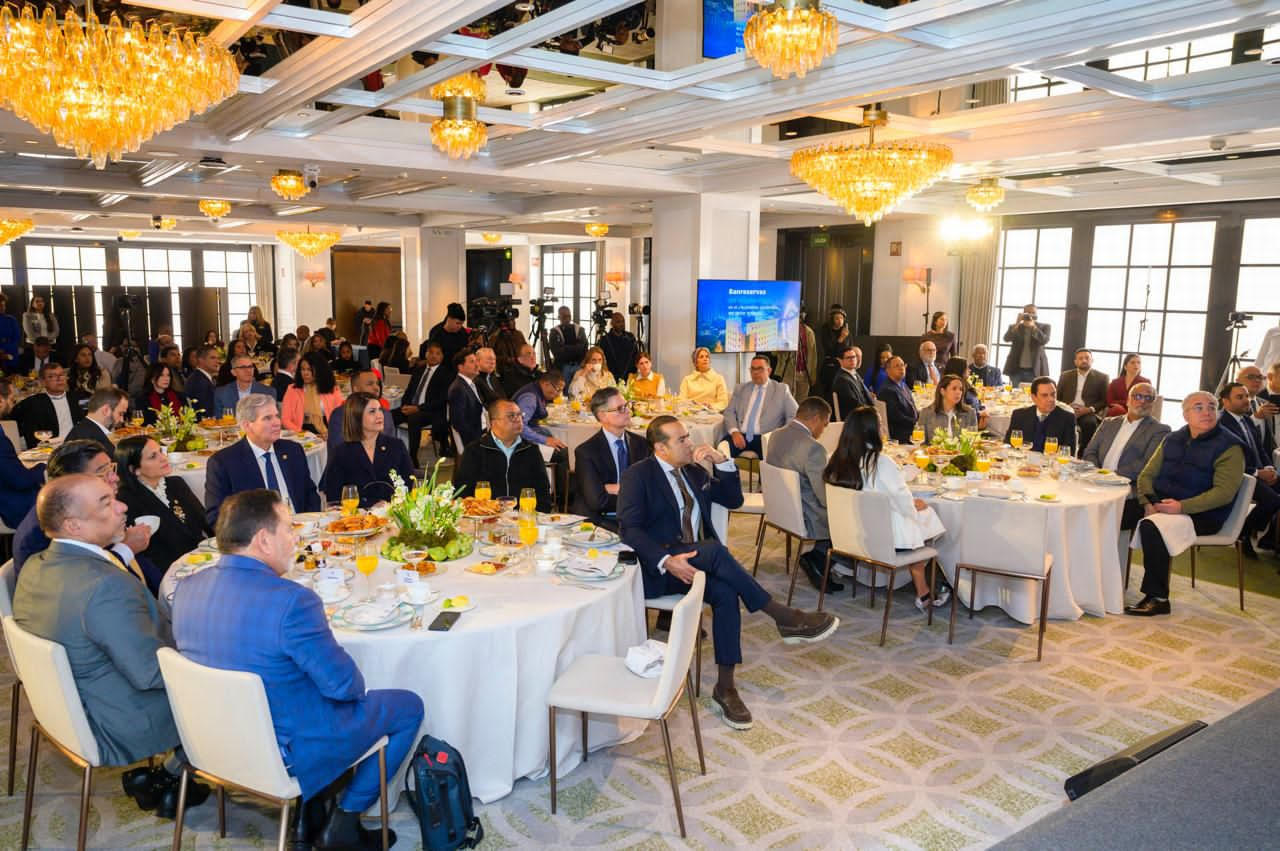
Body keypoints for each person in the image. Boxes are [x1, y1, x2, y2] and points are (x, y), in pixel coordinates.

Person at [172, 489, 423, 849]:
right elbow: (345, 688)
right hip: (285, 751)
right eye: (289, 529)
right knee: (407, 706)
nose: (296, 538)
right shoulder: (292, 601)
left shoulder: (187, 588)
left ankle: (315, 806)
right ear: (263, 540)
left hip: (209, 740)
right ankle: (345, 822)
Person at [618, 416, 838, 731]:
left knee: (726, 593)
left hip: (697, 563)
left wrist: (723, 462)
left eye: (688, 436)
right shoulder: (638, 476)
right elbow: (630, 530)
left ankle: (726, 686)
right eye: (682, 440)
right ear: (660, 448)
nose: (690, 443)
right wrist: (666, 560)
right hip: (660, 570)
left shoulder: (693, 471)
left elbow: (734, 499)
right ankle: (783, 616)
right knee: (715, 550)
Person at [14, 474, 211, 818]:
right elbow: (150, 674)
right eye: (106, 503)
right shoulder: (103, 586)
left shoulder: (37, 564)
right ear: (74, 526)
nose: (122, 507)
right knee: (250, 676)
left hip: (70, 706)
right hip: (121, 718)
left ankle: (169, 774)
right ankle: (177, 772)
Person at [1128, 392, 1246, 616]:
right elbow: (1146, 475)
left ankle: (1158, 598)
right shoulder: (1173, 438)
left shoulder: (1230, 447)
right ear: (1185, 415)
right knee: (1117, 512)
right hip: (1161, 505)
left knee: (1152, 527)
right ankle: (1104, 578)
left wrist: (1181, 507)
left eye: (1211, 407)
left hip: (1203, 515)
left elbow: (1223, 494)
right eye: (1199, 407)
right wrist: (1148, 502)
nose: (1207, 412)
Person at [824, 407, 950, 612]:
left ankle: (921, 583)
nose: (883, 428)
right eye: (880, 424)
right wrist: (914, 506)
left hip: (850, 535)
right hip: (883, 540)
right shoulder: (880, 462)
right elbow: (902, 499)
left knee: (916, 516)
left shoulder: (837, 458)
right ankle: (928, 585)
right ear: (871, 431)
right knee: (929, 516)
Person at [12, 440, 155, 583]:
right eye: (103, 473)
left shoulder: (90, 506)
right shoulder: (46, 530)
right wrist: (126, 548)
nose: (115, 478)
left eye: (112, 469)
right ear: (74, 482)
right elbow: (78, 582)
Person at [765, 397, 845, 593]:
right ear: (816, 419)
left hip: (780, 508)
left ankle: (820, 558)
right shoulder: (813, 449)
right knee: (849, 516)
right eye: (825, 424)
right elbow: (823, 496)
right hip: (806, 513)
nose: (824, 430)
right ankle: (817, 558)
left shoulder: (776, 435)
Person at [204, 393, 321, 525]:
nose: (277, 422)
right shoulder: (224, 462)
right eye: (267, 418)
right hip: (255, 534)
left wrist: (310, 525)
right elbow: (217, 518)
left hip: (301, 529)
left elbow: (310, 495)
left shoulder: (293, 451)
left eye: (277, 416)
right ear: (247, 425)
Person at [115, 436, 211, 575]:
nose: (163, 458)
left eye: (161, 451)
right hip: (172, 571)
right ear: (134, 469)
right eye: (153, 456)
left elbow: (205, 519)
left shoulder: (176, 483)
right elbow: (148, 554)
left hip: (203, 558)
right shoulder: (126, 500)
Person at [1083, 382, 1170, 532]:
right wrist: (1096, 474)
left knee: (1095, 517)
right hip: (1094, 481)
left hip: (1127, 488)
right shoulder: (1108, 423)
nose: (1143, 401)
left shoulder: (1160, 430)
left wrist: (1108, 477)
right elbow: (1090, 452)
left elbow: (1144, 464)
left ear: (1153, 404)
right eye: (1138, 396)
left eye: (1148, 398)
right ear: (1128, 400)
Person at [573, 387, 652, 531]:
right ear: (602, 416)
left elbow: (652, 487)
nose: (628, 411)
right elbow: (597, 501)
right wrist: (635, 494)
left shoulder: (642, 444)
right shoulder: (586, 452)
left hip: (639, 518)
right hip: (601, 522)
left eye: (627, 405)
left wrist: (613, 488)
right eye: (620, 408)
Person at [452, 399, 552, 510]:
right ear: (494, 422)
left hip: (524, 515)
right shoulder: (475, 451)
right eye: (511, 416)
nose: (518, 420)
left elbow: (543, 492)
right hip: (487, 516)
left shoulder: (531, 450)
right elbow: (462, 492)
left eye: (519, 415)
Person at [1218, 382, 1280, 557]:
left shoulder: (1246, 419)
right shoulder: (1220, 423)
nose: (1246, 400)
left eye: (1246, 396)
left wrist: (1270, 468)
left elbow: (1260, 449)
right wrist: (1258, 473)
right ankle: (1244, 533)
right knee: (1272, 500)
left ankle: (1270, 539)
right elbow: (1227, 461)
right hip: (1238, 475)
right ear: (1225, 401)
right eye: (1240, 397)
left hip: (1258, 472)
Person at [323, 393, 414, 508]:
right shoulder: (342, 453)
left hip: (394, 512)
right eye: (372, 411)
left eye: (380, 410)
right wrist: (370, 505)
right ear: (357, 417)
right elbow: (334, 497)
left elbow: (409, 485)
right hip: (357, 515)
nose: (379, 415)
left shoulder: (396, 446)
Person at [722, 355, 798, 457]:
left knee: (776, 458)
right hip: (740, 436)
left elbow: (794, 415)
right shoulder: (741, 388)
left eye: (760, 369)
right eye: (752, 369)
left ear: (769, 370)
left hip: (766, 439)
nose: (755, 372)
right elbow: (729, 412)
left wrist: (781, 436)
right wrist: (734, 432)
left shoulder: (781, 390)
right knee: (720, 453)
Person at [0, 378, 45, 529]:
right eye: (12, 400)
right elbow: (20, 480)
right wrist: (42, 468)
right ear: (1, 400)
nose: (13, 405)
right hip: (12, 504)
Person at [397, 344, 451, 460]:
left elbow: (441, 400)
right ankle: (392, 451)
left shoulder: (445, 374)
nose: (433, 356)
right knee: (389, 415)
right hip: (412, 408)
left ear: (442, 357)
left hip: (431, 411)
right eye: (431, 352)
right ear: (426, 354)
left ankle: (412, 458)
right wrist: (404, 405)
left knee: (414, 419)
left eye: (437, 353)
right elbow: (409, 391)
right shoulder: (418, 370)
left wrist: (418, 408)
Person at [12, 362, 86, 446]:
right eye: (51, 376)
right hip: (49, 447)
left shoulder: (77, 398)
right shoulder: (33, 403)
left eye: (61, 375)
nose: (59, 379)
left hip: (78, 444)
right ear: (43, 382)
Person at [327, 369, 396, 453]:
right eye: (370, 384)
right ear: (356, 389)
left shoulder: (386, 414)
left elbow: (391, 447)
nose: (376, 388)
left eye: (377, 383)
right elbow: (341, 452)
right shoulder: (340, 416)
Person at [1005, 376, 1076, 453]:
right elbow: (1008, 445)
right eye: (1044, 395)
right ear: (1034, 398)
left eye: (1053, 394)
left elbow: (1068, 452)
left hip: (1050, 460)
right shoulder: (1019, 415)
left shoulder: (1067, 418)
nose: (1051, 399)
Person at [282, 351, 345, 438]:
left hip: (328, 430)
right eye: (303, 369)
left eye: (309, 370)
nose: (305, 373)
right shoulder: (292, 389)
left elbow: (340, 415)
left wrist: (331, 433)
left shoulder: (332, 388)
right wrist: (303, 433)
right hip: (302, 432)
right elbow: (285, 419)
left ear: (319, 370)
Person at [1059, 348, 1109, 451]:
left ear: (1092, 360)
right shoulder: (1065, 376)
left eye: (1087, 358)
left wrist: (1089, 409)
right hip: (1067, 409)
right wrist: (1066, 407)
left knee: (1090, 424)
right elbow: (1057, 396)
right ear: (1075, 361)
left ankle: (1084, 452)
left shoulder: (1102, 377)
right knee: (1057, 420)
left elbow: (1104, 401)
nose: (1084, 360)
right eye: (1080, 358)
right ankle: (1061, 450)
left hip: (1087, 411)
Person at [511, 371, 569, 450]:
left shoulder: (536, 390)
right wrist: (545, 440)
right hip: (519, 441)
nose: (558, 394)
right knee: (562, 451)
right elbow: (519, 426)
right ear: (546, 384)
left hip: (530, 432)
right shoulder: (529, 398)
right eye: (558, 390)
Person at [66, 386, 129, 455]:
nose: (122, 420)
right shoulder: (91, 442)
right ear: (106, 410)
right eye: (120, 414)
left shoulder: (85, 429)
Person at [917, 375, 979, 442]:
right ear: (942, 391)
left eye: (961, 389)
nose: (958, 392)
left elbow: (974, 442)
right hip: (934, 449)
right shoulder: (926, 413)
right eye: (954, 389)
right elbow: (920, 442)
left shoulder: (970, 413)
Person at [448, 349, 488, 449]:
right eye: (472, 362)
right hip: (476, 438)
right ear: (460, 367)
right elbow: (459, 423)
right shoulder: (458, 389)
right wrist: (479, 440)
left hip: (485, 430)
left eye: (476, 361)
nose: (477, 365)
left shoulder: (470, 383)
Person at [1002, 304, 1051, 386]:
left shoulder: (1044, 327)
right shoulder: (1015, 326)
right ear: (1023, 313)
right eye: (1028, 312)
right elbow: (1006, 339)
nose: (1030, 315)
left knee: (1032, 393)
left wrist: (1034, 327)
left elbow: (1044, 341)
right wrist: (1017, 323)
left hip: (1035, 369)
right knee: (1014, 392)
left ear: (1036, 314)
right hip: (1016, 369)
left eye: (1033, 313)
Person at [213, 353, 274, 419]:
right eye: (242, 367)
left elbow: (271, 419)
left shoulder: (268, 392)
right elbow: (219, 420)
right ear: (233, 372)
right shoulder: (221, 393)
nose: (248, 370)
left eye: (250, 367)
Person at [1236, 364, 1279, 457]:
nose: (1257, 380)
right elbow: (1231, 431)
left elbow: (1269, 439)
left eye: (1260, 377)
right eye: (1251, 377)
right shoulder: (1228, 402)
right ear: (1237, 381)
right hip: (1242, 459)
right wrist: (1256, 417)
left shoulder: (1265, 403)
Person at [877, 356, 918, 443]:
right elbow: (896, 417)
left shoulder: (903, 384)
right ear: (888, 370)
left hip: (910, 427)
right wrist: (916, 422)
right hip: (901, 433)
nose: (901, 368)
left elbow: (912, 407)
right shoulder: (887, 390)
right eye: (897, 366)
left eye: (902, 365)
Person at [548, 305, 588, 388]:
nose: (567, 318)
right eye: (564, 316)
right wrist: (575, 348)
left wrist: (565, 348)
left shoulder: (579, 330)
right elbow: (557, 353)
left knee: (580, 389)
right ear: (559, 317)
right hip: (562, 366)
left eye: (568, 316)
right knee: (564, 389)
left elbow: (583, 349)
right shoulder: (554, 332)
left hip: (579, 364)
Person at [678, 346, 729, 411]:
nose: (705, 359)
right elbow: (681, 400)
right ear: (695, 362)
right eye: (701, 357)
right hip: (691, 413)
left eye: (707, 356)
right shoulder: (687, 379)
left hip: (711, 413)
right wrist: (692, 406)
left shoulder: (719, 378)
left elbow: (723, 402)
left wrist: (711, 406)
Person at [830, 345, 874, 420]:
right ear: (840, 361)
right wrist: (870, 412)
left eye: (854, 357)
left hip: (863, 413)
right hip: (853, 418)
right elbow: (853, 404)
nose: (852, 360)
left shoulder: (854, 373)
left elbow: (866, 396)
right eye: (848, 358)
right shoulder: (842, 379)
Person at [424, 302, 470, 366]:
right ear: (449, 319)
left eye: (461, 324)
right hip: (441, 367)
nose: (459, 326)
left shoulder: (462, 332)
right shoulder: (436, 333)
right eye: (457, 323)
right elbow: (433, 356)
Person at [599, 311, 639, 381]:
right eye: (618, 322)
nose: (622, 324)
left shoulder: (630, 337)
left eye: (623, 321)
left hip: (629, 376)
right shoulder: (605, 340)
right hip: (611, 377)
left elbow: (636, 356)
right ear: (612, 324)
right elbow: (602, 359)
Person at [184, 344, 220, 417]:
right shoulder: (199, 381)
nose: (217, 361)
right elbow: (205, 412)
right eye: (212, 358)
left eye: (218, 358)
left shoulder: (200, 377)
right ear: (201, 360)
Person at [0, 292, 19, 372]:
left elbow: (16, 339)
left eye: (3, 305)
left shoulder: (11, 320)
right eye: (0, 305)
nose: (2, 308)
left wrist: (3, 350)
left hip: (10, 356)